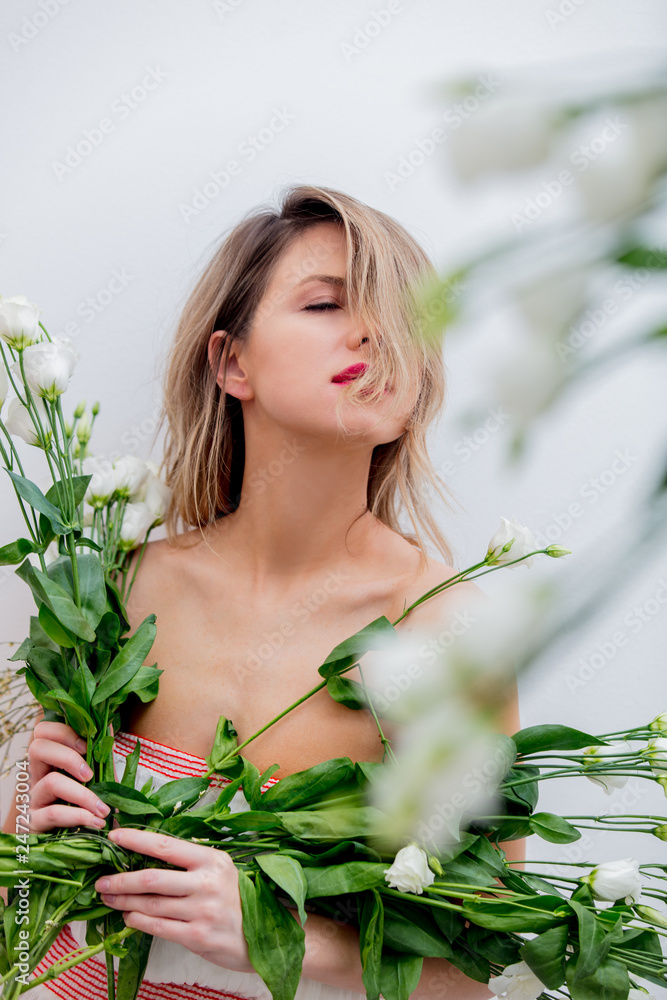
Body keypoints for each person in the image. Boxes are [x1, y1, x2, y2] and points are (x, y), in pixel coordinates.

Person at [2, 184, 524, 999]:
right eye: (323, 304)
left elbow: (472, 966)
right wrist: (28, 825)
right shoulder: (118, 584)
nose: (372, 332)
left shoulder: (442, 632)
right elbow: (20, 904)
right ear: (230, 362)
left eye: (400, 314)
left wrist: (273, 937)